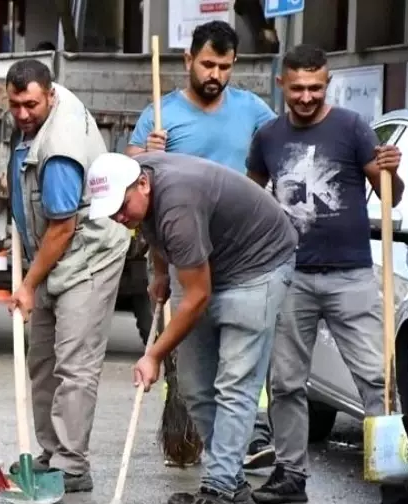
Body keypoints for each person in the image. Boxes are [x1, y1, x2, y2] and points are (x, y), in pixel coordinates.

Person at [85, 151, 297, 504]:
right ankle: (231, 482)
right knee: (195, 385)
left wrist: (153, 354)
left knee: (235, 384)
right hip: (209, 261)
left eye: (121, 205)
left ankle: (217, 492)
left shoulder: (178, 205)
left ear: (143, 184)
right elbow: (153, 227)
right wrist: (161, 271)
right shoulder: (143, 181)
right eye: (110, 211)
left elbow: (198, 296)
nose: (118, 216)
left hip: (258, 266)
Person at [245, 44, 403, 504]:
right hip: (290, 276)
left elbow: (390, 197)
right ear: (282, 85)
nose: (307, 96)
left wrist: (393, 171)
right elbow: (251, 199)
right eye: (298, 88)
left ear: (327, 83)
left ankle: (392, 474)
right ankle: (290, 474)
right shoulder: (268, 137)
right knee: (287, 383)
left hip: (351, 275)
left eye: (316, 87)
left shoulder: (353, 127)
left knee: (376, 378)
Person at [125, 19, 279, 471]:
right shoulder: (160, 115)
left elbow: (281, 149)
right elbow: (133, 185)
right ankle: (206, 445)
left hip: (241, 253)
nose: (215, 74)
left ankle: (252, 436)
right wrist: (145, 152)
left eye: (224, 67)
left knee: (241, 356)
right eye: (207, 64)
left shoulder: (252, 110)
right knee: (193, 361)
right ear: (188, 60)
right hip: (183, 250)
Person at [3, 58, 132, 493]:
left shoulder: (58, 149)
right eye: (16, 104)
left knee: (74, 362)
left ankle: (72, 464)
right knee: (42, 358)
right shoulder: (39, 119)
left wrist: (27, 284)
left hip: (87, 255)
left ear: (50, 95)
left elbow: (62, 227)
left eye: (31, 104)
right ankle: (50, 452)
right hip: (55, 251)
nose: (23, 113)